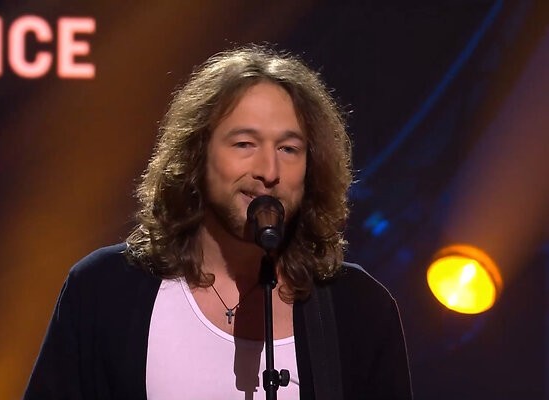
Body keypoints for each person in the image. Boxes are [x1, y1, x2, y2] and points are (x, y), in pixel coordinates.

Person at [24, 45, 412, 399]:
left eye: (288, 148)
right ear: (197, 154)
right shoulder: (103, 290)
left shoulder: (360, 309)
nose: (268, 171)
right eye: (244, 144)